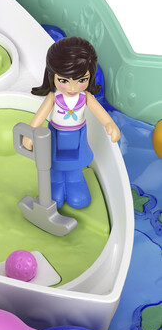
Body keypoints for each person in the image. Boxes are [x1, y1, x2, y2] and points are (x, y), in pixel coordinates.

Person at [23, 37, 120, 209]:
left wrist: (109, 124)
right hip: (55, 135)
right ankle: (56, 181)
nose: (73, 88)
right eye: (64, 81)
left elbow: (100, 113)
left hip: (78, 136)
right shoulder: (54, 97)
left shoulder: (85, 97)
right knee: (53, 162)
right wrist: (31, 133)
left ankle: (75, 180)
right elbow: (40, 115)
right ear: (52, 75)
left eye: (81, 80)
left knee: (76, 165)